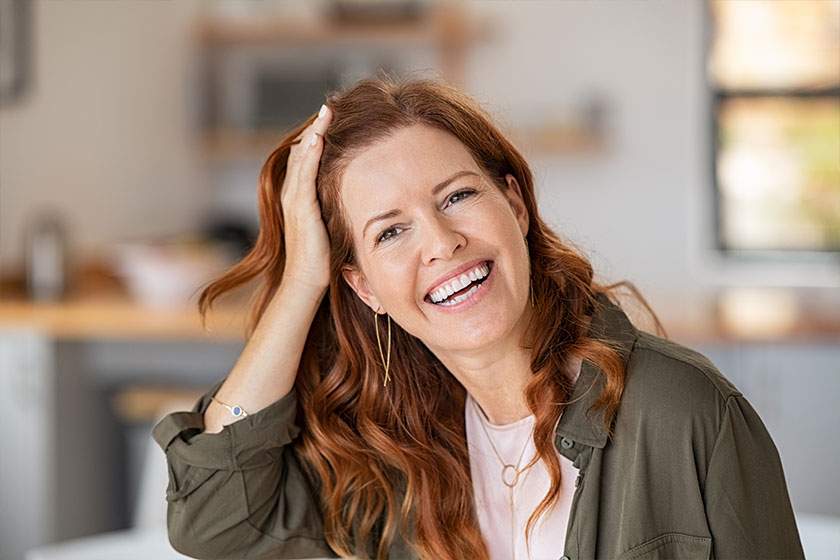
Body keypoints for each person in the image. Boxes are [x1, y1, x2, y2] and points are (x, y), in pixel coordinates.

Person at [153, 76, 804, 560]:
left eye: (457, 196)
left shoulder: (684, 412)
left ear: (514, 204)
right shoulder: (386, 456)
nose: (440, 242)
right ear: (361, 286)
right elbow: (211, 520)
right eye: (390, 232)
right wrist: (300, 282)